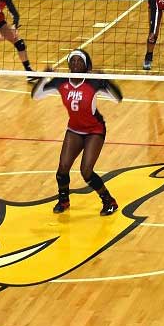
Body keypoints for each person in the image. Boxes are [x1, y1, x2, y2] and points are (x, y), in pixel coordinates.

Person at [31, 48, 122, 216]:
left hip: (95, 130)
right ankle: (64, 200)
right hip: (74, 129)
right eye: (72, 60)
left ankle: (109, 201)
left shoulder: (93, 82)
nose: (75, 63)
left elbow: (118, 98)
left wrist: (107, 81)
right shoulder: (61, 82)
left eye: (79, 61)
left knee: (86, 171)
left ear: (86, 65)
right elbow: (36, 96)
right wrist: (43, 78)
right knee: (62, 168)